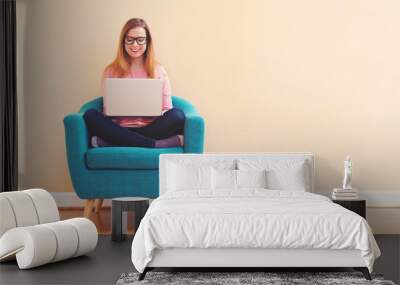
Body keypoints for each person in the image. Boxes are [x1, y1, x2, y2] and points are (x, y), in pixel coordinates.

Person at [83, 18, 185, 148]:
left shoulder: (158, 70)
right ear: (123, 41)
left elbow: (167, 108)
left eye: (140, 40)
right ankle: (153, 144)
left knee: (178, 115)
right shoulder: (111, 71)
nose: (135, 45)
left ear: (148, 41)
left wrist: (155, 110)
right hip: (119, 127)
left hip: (151, 127)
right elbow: (107, 111)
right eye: (129, 39)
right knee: (90, 115)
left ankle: (114, 142)